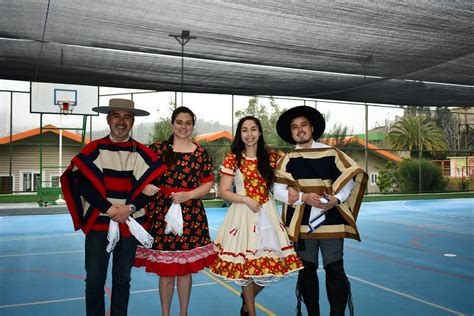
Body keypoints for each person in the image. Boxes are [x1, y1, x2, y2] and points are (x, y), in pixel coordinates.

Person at [60, 98, 166, 316]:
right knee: (94, 282)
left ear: (133, 121)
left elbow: (154, 185)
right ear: (108, 120)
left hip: (128, 226)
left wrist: (130, 207)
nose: (121, 121)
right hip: (99, 227)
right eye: (116, 116)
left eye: (127, 117)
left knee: (122, 280)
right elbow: (81, 183)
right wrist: (109, 209)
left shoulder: (141, 152)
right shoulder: (95, 148)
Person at [273, 106, 367, 316]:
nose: (300, 130)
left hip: (331, 221)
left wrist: (337, 199)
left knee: (335, 270)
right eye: (295, 127)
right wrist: (302, 197)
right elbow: (277, 190)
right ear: (291, 133)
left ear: (312, 128)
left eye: (303, 125)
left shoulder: (332, 153)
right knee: (307, 272)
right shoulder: (287, 159)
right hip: (302, 224)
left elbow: (348, 180)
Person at [209, 116, 303, 316]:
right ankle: (251, 312)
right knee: (245, 266)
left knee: (270, 265)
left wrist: (294, 187)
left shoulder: (272, 157)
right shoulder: (233, 158)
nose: (249, 134)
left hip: (267, 214)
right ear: (240, 134)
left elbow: (288, 177)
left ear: (259, 132)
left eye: (253, 129)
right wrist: (245, 199)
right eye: (245, 130)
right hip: (242, 215)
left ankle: (246, 301)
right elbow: (223, 191)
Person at [134, 106, 216, 316]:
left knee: (185, 270)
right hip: (161, 215)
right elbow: (137, 174)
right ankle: (165, 313)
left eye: (188, 123)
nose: (183, 127)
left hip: (191, 216)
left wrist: (189, 195)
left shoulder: (200, 153)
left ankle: (183, 313)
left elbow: (207, 184)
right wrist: (144, 186)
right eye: (179, 122)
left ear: (192, 125)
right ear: (173, 124)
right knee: (167, 272)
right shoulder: (158, 149)